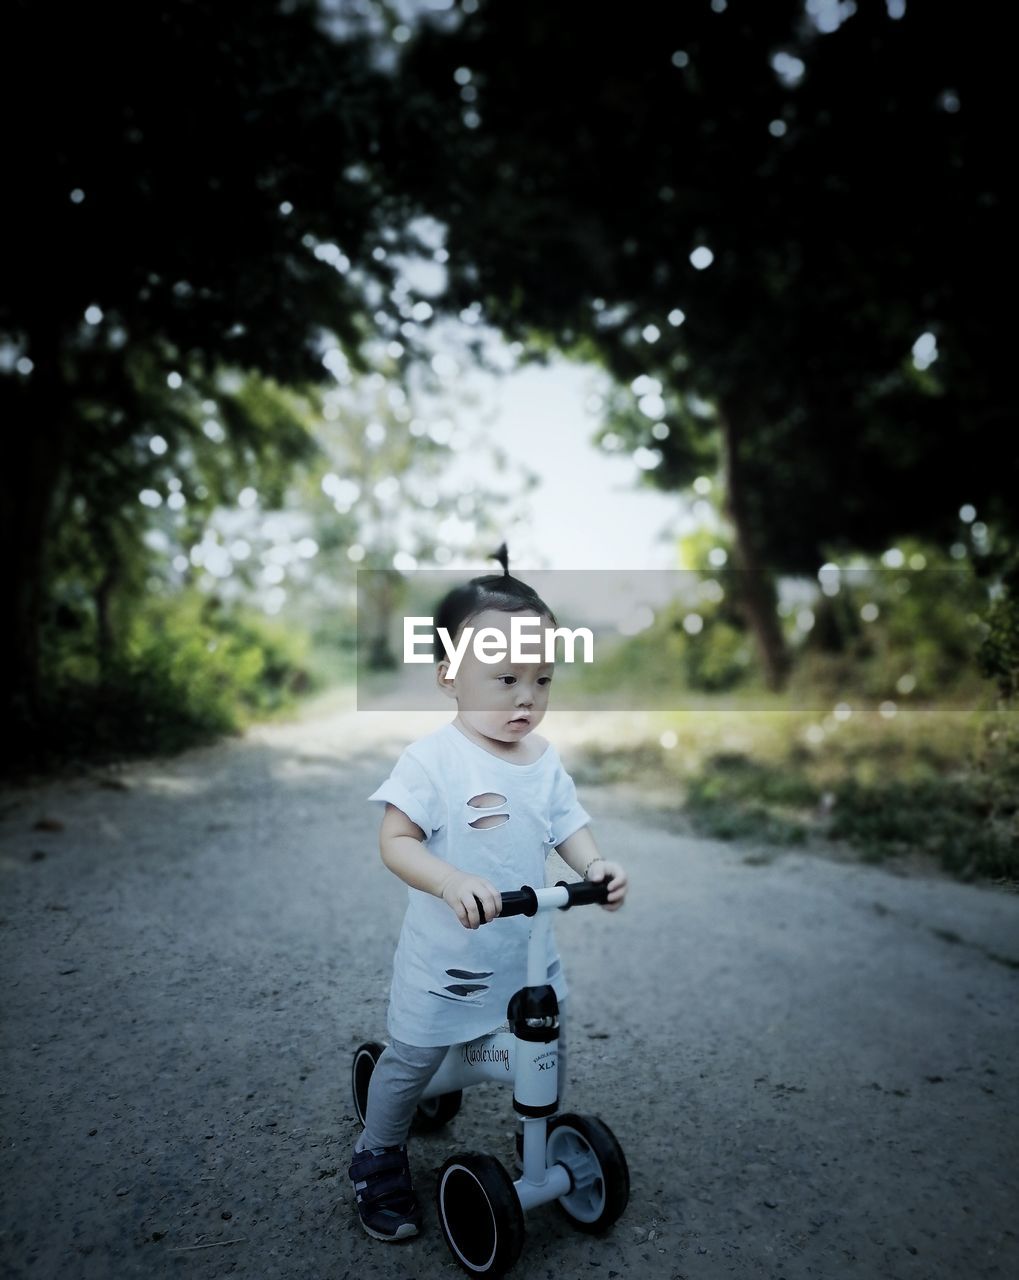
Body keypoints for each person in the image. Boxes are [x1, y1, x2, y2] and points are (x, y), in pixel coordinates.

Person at [348, 544, 628, 1242]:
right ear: (449, 676)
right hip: (446, 961)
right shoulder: (431, 761)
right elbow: (396, 841)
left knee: (543, 1049)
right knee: (412, 1060)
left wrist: (595, 867)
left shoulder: (544, 759)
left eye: (541, 678)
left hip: (523, 957)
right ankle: (378, 1153)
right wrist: (450, 879)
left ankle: (532, 1149)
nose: (526, 697)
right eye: (504, 678)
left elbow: (569, 825)